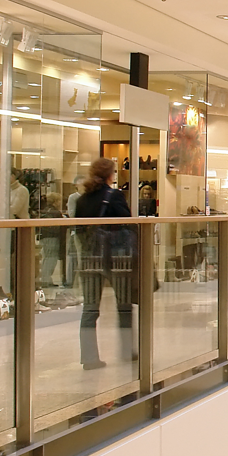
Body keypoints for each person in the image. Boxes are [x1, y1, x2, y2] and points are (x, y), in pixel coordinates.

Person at [73, 158, 134, 371]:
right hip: (116, 258)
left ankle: (89, 358)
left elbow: (78, 230)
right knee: (124, 305)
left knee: (90, 308)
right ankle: (128, 351)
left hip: (90, 258)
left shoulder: (82, 200)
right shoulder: (114, 196)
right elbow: (128, 223)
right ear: (110, 175)